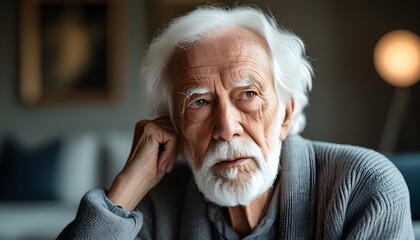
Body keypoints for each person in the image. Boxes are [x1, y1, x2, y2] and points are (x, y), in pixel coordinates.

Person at [57, 5, 414, 239]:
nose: (227, 128)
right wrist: (126, 189)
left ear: (286, 114)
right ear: (176, 125)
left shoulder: (363, 188)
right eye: (199, 102)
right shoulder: (157, 204)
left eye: (248, 95)